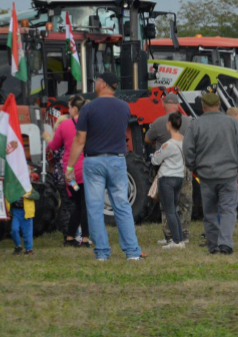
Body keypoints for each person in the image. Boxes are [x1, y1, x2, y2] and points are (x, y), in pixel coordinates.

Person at [67, 72, 144, 261]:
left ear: (102, 84)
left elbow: (79, 139)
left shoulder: (88, 108)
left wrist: (69, 167)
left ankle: (102, 252)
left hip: (94, 161)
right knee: (122, 206)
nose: (95, 84)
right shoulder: (125, 107)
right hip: (118, 160)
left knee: (94, 208)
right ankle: (132, 252)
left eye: (96, 82)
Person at [183, 93, 238, 255]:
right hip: (228, 175)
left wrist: (194, 167)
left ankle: (213, 246)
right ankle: (225, 243)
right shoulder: (232, 123)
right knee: (227, 210)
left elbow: (188, 150)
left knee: (210, 212)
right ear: (220, 105)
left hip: (206, 176)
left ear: (203, 107)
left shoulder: (196, 125)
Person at [145, 93, 192, 244]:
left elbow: (147, 139)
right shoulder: (189, 122)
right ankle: (184, 234)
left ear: (164, 105)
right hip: (185, 167)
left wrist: (156, 147)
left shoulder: (159, 122)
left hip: (166, 168)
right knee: (185, 201)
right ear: (178, 105)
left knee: (167, 204)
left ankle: (170, 236)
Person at [46, 96, 91, 247]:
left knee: (78, 204)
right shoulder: (89, 124)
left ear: (74, 108)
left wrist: (47, 138)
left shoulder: (64, 125)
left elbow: (53, 146)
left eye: (69, 107)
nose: (68, 109)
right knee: (85, 205)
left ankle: (70, 237)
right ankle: (84, 239)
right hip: (86, 173)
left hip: (70, 175)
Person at [150, 112, 187, 249]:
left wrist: (155, 154)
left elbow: (155, 160)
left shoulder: (168, 145)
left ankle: (176, 241)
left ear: (170, 124)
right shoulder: (184, 141)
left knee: (169, 210)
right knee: (175, 210)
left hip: (167, 179)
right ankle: (180, 238)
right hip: (179, 177)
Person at [10, 187, 40, 255]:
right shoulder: (12, 186)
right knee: (14, 229)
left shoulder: (28, 187)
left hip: (26, 212)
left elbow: (37, 196)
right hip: (15, 211)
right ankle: (18, 246)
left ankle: (28, 249)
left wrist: (28, 196)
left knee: (27, 232)